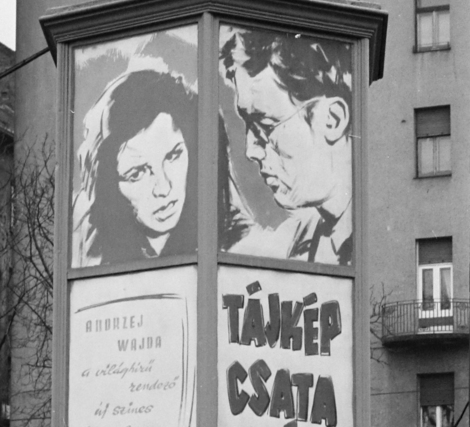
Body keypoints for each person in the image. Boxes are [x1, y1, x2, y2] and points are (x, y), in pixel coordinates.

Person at [220, 27, 354, 264]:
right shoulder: (303, 238)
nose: (251, 151)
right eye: (248, 125)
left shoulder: (365, 235)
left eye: (265, 125)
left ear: (332, 119)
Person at [74, 68, 198, 266]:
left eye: (173, 155)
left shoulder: (231, 241)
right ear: (111, 184)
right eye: (137, 173)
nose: (163, 189)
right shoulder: (89, 253)